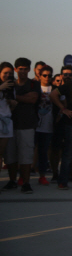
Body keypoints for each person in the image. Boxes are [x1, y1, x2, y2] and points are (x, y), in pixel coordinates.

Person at [4, 57, 40, 194]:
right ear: (15, 69)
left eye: (25, 69)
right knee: (10, 156)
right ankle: (12, 181)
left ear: (29, 70)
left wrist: (14, 97)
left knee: (25, 156)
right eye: (20, 69)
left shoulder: (33, 84)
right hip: (10, 124)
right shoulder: (10, 84)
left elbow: (32, 99)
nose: (23, 72)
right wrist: (23, 97)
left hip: (27, 124)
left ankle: (26, 182)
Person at [35, 65, 54, 186]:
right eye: (44, 75)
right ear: (40, 76)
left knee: (43, 152)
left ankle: (42, 176)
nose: (47, 78)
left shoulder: (55, 89)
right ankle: (23, 176)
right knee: (28, 151)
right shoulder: (35, 88)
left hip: (48, 125)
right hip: (33, 124)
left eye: (49, 75)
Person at [0, 62, 18, 190]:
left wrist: (13, 104)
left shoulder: (12, 88)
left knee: (1, 155)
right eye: (5, 73)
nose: (8, 75)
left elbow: (10, 109)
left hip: (6, 123)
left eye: (10, 73)